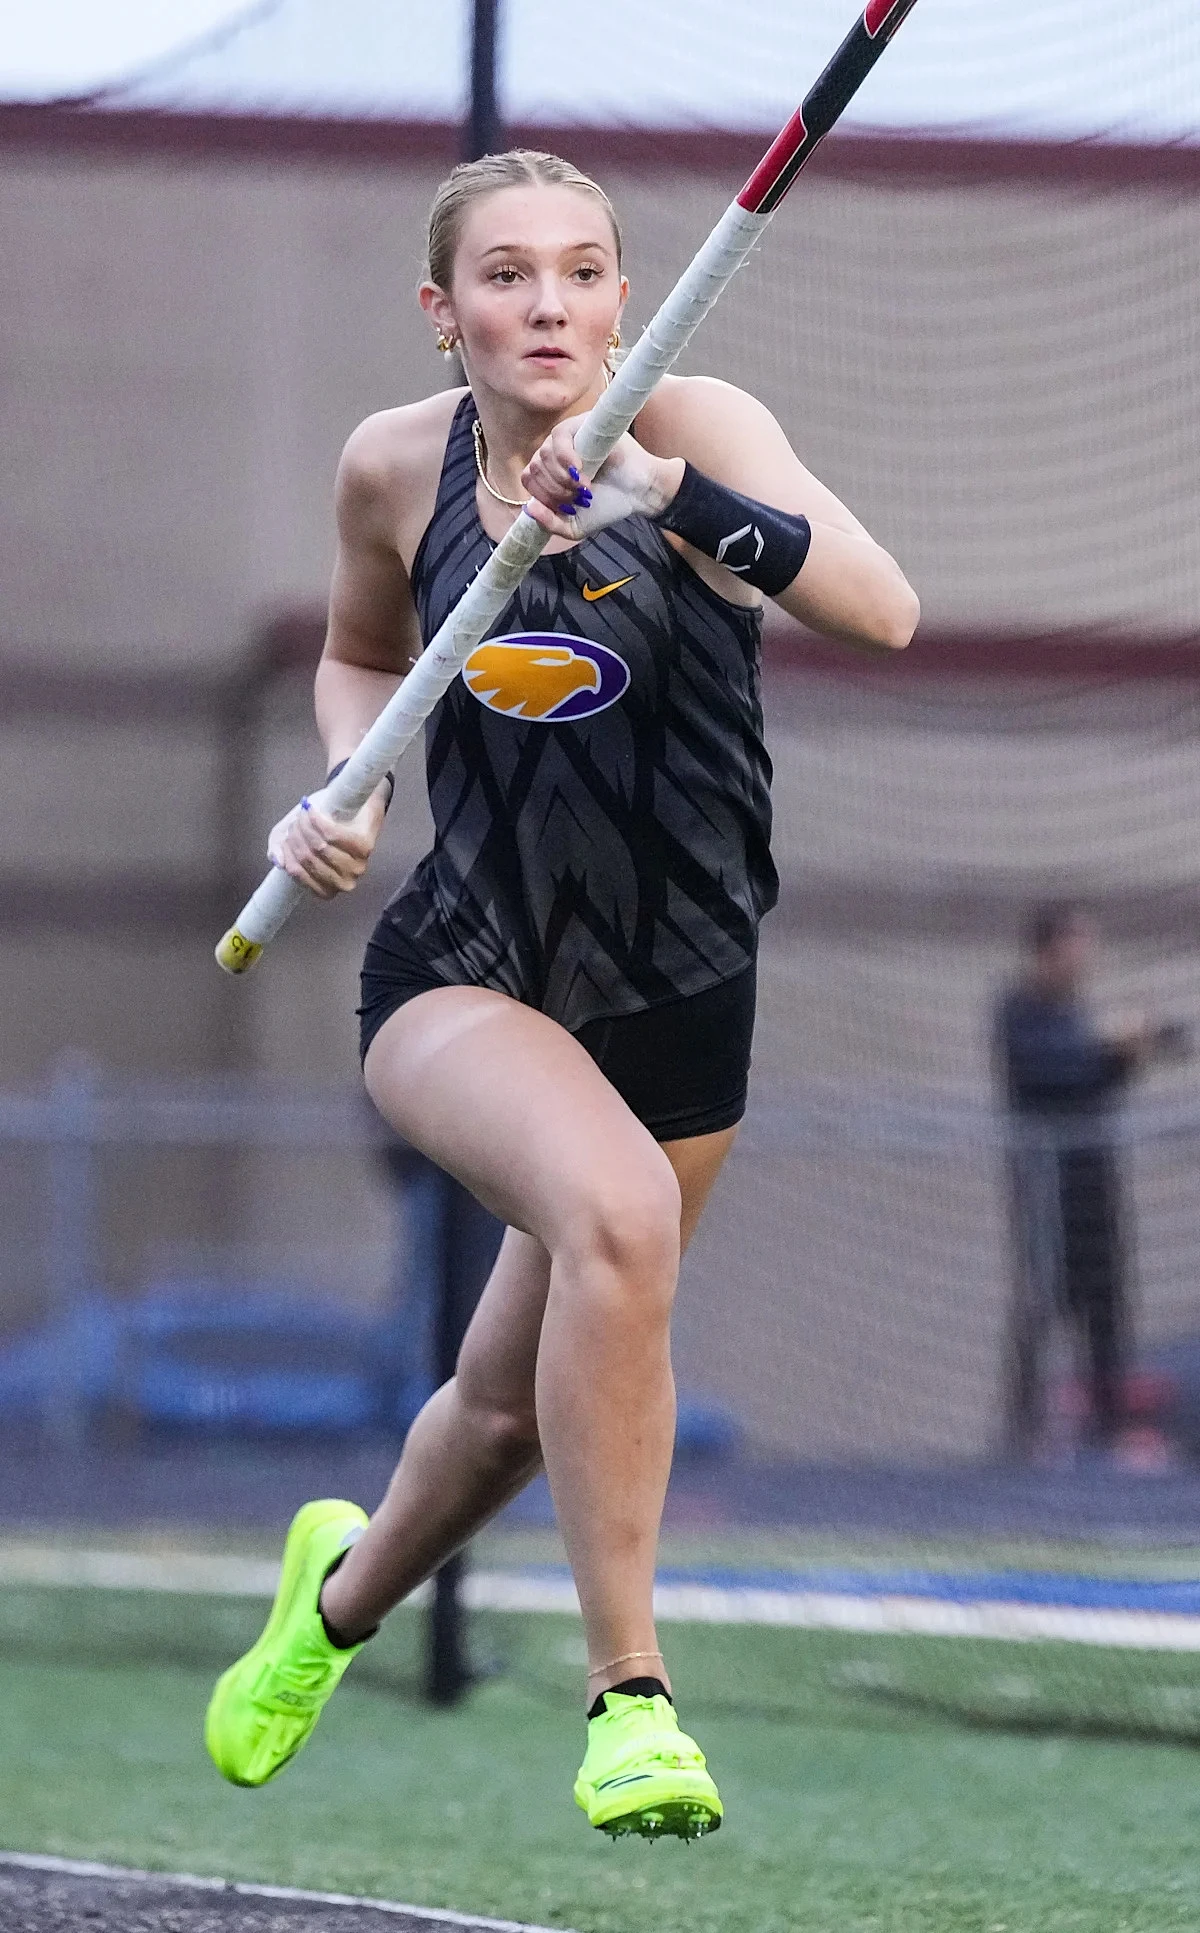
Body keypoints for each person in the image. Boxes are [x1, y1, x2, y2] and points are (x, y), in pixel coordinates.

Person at [204, 149, 919, 1839]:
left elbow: (883, 610)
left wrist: (671, 498)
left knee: (506, 1413)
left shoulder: (696, 424)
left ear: (624, 296)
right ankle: (631, 1699)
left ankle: (329, 1607)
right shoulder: (396, 464)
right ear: (442, 309)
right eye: (508, 274)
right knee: (619, 1216)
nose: (550, 304)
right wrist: (350, 783)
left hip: (684, 988)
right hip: (467, 970)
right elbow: (362, 656)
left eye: (583, 271)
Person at [994, 901, 1188, 1463]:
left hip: (1093, 1186)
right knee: (1042, 1305)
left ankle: (1108, 1428)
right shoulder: (1019, 1011)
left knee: (1105, 1305)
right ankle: (1024, 1432)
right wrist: (1110, 1047)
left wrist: (1132, 1054)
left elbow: (1094, 1085)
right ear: (1048, 950)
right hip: (1045, 1188)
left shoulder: (1074, 1015)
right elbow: (1051, 1075)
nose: (1086, 956)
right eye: (1076, 944)